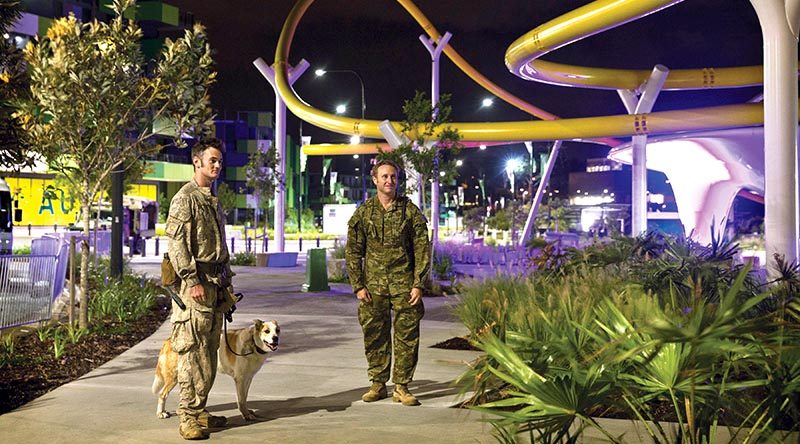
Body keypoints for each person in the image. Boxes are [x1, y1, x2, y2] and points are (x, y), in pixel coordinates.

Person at [345, 159, 430, 407]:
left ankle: (401, 387)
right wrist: (358, 285)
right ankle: (378, 383)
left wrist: (418, 283)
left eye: (393, 176)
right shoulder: (364, 212)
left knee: (407, 337)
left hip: (404, 285)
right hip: (373, 288)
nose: (389, 181)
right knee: (374, 336)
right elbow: (353, 251)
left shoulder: (409, 211)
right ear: (375, 180)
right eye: (384, 177)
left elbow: (422, 248)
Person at [165, 138, 235, 440]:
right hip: (195, 290)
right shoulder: (185, 199)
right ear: (197, 161)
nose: (217, 165)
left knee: (208, 353)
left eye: (219, 161)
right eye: (212, 160)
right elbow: (177, 244)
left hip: (215, 287)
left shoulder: (211, 199)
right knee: (191, 353)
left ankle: (201, 411)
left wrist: (228, 284)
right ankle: (187, 417)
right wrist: (191, 280)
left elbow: (221, 247)